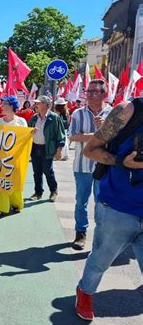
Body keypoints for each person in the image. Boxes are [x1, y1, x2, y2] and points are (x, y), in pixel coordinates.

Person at [75, 96, 143, 321]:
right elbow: (91, 150)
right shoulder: (127, 111)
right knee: (101, 259)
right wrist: (122, 162)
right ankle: (85, 292)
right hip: (117, 206)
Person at [68, 79, 113, 250]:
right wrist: (98, 134)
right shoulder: (78, 113)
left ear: (104, 94)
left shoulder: (113, 113)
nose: (90, 95)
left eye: (95, 91)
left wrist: (106, 129)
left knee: (103, 203)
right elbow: (72, 136)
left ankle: (101, 237)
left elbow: (118, 138)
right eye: (88, 91)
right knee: (81, 201)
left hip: (104, 166)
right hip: (82, 166)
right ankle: (80, 233)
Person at [0, 96, 28, 217]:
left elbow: (25, 138)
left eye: (4, 104)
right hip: (1, 157)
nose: (1, 106)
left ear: (11, 106)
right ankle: (1, 208)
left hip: (17, 157)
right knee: (1, 182)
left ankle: (16, 205)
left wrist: (31, 133)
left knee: (16, 181)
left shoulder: (21, 122)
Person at [28, 95, 66, 202]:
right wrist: (30, 132)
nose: (36, 105)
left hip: (47, 148)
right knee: (37, 172)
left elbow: (61, 135)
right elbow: (27, 132)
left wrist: (59, 150)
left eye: (39, 103)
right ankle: (38, 192)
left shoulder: (54, 118)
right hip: (35, 148)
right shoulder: (34, 118)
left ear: (45, 105)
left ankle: (53, 191)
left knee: (47, 170)